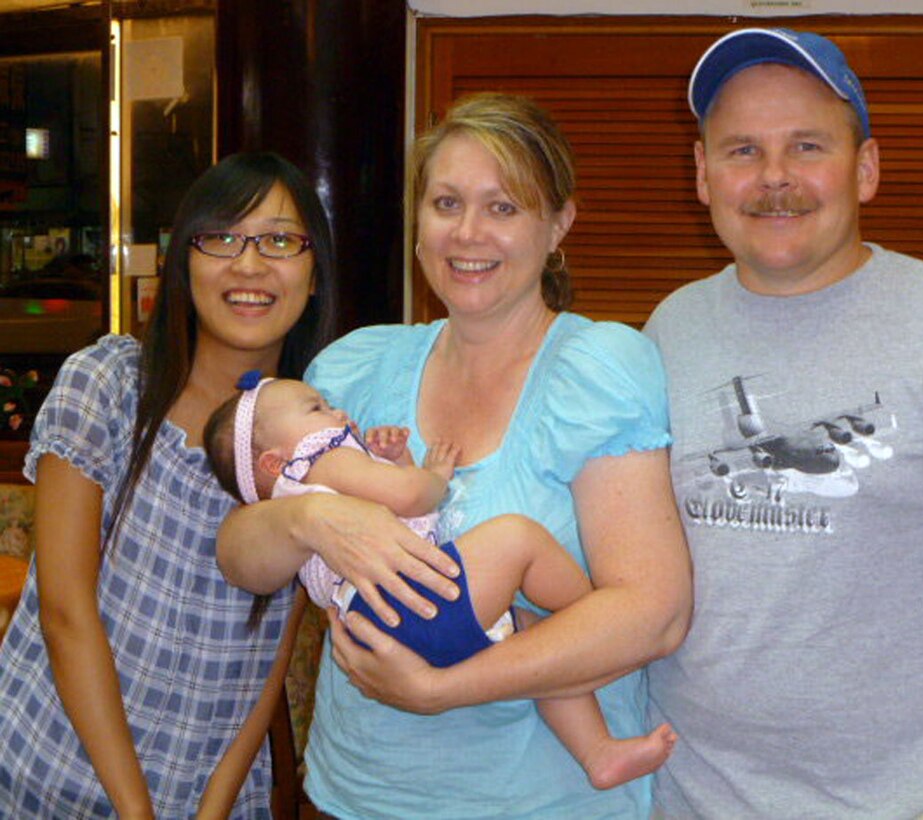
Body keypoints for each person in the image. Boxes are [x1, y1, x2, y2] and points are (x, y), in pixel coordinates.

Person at [216, 92, 693, 818]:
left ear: (558, 223)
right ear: (417, 224)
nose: (468, 233)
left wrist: (440, 689)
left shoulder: (600, 369)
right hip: (358, 794)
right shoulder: (354, 370)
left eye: (503, 208)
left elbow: (653, 615)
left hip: (545, 802)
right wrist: (311, 525)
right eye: (445, 203)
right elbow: (240, 554)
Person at [644, 26, 923, 820]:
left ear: (865, 167)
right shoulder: (667, 330)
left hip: (904, 804)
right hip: (685, 798)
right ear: (700, 174)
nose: (774, 179)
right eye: (740, 151)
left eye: (806, 146)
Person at [0, 151, 339, 818]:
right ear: (184, 262)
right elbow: (65, 610)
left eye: (279, 240)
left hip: (206, 794)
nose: (249, 264)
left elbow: (270, 657)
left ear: (314, 272)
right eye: (220, 238)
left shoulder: (315, 440)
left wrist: (215, 806)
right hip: (43, 777)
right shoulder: (109, 383)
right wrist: (137, 811)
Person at [205, 374, 678, 790]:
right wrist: (431, 474)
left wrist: (396, 461)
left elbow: (397, 507)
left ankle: (598, 753)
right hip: (405, 606)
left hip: (386, 624)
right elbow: (412, 498)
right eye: (317, 408)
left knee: (534, 637)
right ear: (272, 463)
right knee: (517, 538)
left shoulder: (307, 483)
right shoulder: (318, 461)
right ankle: (593, 613)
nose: (337, 411)